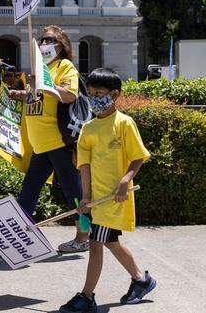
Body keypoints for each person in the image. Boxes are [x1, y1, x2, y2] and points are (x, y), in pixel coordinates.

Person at [60, 68, 155, 313]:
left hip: (114, 198)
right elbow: (85, 166)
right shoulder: (89, 128)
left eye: (98, 93)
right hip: (95, 200)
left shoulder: (124, 123)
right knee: (110, 242)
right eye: (89, 93)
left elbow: (138, 158)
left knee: (95, 244)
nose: (93, 98)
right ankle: (141, 280)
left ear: (114, 95)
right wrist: (85, 197)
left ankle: (86, 296)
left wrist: (125, 181)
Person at [10, 25, 91, 254]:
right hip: (41, 144)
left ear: (61, 45)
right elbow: (37, 98)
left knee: (73, 192)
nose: (44, 44)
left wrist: (46, 84)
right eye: (42, 40)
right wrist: (22, 94)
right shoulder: (40, 68)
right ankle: (20, 237)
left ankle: (83, 237)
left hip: (59, 143)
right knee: (29, 190)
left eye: (49, 40)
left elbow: (69, 95)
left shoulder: (64, 67)